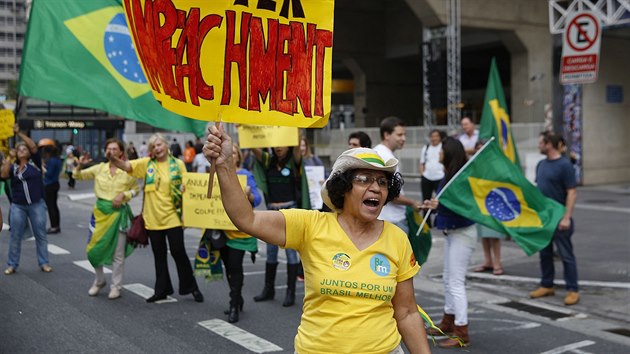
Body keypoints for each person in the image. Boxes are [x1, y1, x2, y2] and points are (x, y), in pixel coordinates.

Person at [204, 124, 431, 353]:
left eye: (382, 182)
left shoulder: (397, 239)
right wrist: (223, 164)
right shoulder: (311, 226)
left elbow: (407, 312)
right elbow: (247, 219)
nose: (376, 188)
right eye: (364, 179)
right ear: (344, 188)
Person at [108, 133, 203, 303]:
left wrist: (186, 211)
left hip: (173, 217)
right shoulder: (147, 164)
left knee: (178, 252)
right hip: (152, 220)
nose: (157, 148)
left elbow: (188, 189)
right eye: (153, 146)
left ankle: (192, 287)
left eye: (159, 145)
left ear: (167, 146)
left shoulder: (178, 164)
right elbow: (126, 166)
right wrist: (113, 159)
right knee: (159, 256)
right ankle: (162, 290)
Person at [73, 138, 139, 300]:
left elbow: (136, 189)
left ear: (121, 152)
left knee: (118, 254)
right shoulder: (99, 169)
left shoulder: (128, 170)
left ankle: (116, 286)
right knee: (93, 250)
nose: (111, 151)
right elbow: (78, 176)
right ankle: (100, 280)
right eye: (108, 149)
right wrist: (80, 164)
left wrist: (125, 195)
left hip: (118, 215)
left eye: (115, 149)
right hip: (99, 214)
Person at [425, 137, 475, 347]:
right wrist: (435, 205)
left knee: (455, 282)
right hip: (452, 233)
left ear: (449, 154)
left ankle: (461, 331)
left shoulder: (462, 179)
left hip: (462, 233)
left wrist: (440, 205)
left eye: (442, 150)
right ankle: (448, 320)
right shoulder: (450, 176)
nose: (439, 153)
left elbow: (463, 207)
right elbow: (445, 203)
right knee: (448, 279)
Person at [251, 143, 305, 307]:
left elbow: (297, 149)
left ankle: (290, 293)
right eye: (276, 145)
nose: (279, 148)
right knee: (271, 252)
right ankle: (269, 289)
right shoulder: (269, 161)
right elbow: (254, 147)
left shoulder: (293, 162)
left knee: (290, 253)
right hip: (272, 212)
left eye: (282, 144)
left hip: (290, 211)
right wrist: (245, 129)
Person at [530, 131, 579, 306]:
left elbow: (571, 192)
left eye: (541, 143)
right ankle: (547, 284)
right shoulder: (541, 164)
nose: (539, 146)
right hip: (545, 218)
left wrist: (566, 217)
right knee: (545, 253)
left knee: (566, 255)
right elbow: (539, 190)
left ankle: (573, 289)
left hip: (560, 218)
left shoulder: (565, 165)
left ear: (549, 144)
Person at [218, 144, 262, 323]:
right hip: (221, 230)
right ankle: (237, 298)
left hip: (239, 233)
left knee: (235, 267)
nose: (231, 155)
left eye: (234, 152)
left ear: (237, 156)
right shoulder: (218, 173)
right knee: (228, 267)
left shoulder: (245, 175)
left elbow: (257, 199)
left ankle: (234, 304)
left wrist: (249, 195)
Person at [0, 124, 52, 275]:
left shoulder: (35, 163)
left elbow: (33, 146)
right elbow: (3, 175)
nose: (22, 150)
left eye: (24, 149)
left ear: (29, 153)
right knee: (15, 235)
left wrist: (19, 133)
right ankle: (12, 264)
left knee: (40, 234)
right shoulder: (13, 167)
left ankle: (44, 262)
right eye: (19, 149)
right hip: (18, 206)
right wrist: (9, 157)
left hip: (36, 204)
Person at [373, 117, 424, 233]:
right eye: (399, 135)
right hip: (393, 221)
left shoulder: (377, 152)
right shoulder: (387, 158)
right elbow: (393, 195)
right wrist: (413, 203)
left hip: (384, 218)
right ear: (386, 135)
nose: (403, 139)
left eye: (404, 135)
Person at [418, 129, 445, 227]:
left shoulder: (443, 147)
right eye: (432, 136)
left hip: (440, 177)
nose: (434, 138)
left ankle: (438, 221)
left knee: (439, 201)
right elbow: (422, 162)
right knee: (426, 200)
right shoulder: (426, 147)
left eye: (436, 136)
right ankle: (427, 222)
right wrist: (422, 174)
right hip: (427, 177)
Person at [40, 141, 62, 234]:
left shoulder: (52, 160)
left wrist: (43, 168)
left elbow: (49, 174)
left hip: (49, 184)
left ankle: (53, 226)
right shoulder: (58, 160)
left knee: (51, 206)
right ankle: (56, 225)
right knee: (54, 205)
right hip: (56, 183)